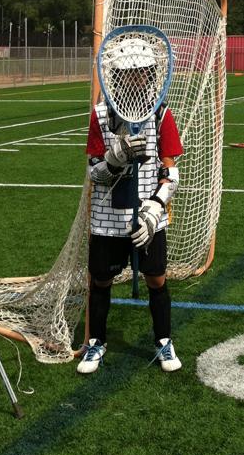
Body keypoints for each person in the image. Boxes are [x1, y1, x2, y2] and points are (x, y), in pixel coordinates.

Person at [77, 35, 183, 375]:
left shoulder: (162, 113)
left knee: (157, 279)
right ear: (116, 77)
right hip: (108, 216)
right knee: (101, 280)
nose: (137, 79)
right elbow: (95, 173)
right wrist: (115, 159)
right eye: (129, 73)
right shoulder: (99, 114)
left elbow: (171, 172)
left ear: (153, 74)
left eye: (143, 73)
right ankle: (96, 342)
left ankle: (164, 340)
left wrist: (155, 208)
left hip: (148, 216)